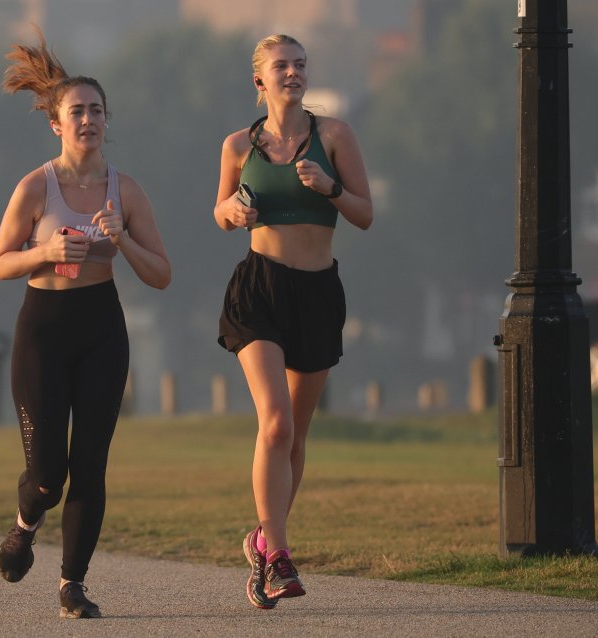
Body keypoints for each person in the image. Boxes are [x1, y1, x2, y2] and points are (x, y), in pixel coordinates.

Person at [0, 28, 170, 620]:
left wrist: (123, 239)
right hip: (43, 330)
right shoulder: (35, 187)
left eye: (96, 110)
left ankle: (72, 584)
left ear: (104, 119)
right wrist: (45, 253)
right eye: (77, 111)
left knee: (90, 463)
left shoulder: (126, 191)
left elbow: (161, 273)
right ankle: (25, 522)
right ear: (57, 124)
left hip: (101, 328)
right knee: (48, 476)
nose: (88, 119)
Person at [213, 34, 373, 610]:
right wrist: (232, 211)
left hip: (317, 292)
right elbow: (221, 211)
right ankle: (278, 557)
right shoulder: (239, 144)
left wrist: (328, 188)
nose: (293, 73)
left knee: (296, 438)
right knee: (275, 424)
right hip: (260, 289)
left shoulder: (334, 136)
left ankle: (262, 538)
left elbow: (365, 214)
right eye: (281, 66)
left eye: (300, 64)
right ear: (260, 80)